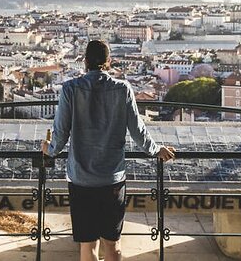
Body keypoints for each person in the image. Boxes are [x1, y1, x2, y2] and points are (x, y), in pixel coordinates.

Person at [42, 40, 175, 261]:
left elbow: (61, 132)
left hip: (81, 179)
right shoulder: (123, 89)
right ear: (109, 62)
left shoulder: (70, 89)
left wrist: (49, 149)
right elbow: (137, 130)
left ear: (85, 62)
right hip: (112, 179)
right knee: (113, 247)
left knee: (88, 248)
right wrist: (155, 150)